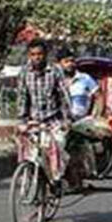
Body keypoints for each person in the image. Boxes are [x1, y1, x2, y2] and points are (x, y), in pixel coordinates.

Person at [18, 39, 72, 183]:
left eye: (40, 54)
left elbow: (64, 96)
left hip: (54, 120)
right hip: (34, 120)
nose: (37, 57)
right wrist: (22, 120)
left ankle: (56, 180)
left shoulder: (55, 71)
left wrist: (67, 119)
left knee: (58, 146)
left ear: (45, 55)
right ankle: (31, 177)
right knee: (28, 150)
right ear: (29, 56)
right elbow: (23, 97)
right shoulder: (24, 72)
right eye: (33, 54)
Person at [58, 49, 100, 121]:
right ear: (59, 64)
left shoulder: (85, 78)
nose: (70, 64)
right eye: (66, 62)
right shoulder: (57, 80)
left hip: (82, 122)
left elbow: (99, 96)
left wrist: (96, 116)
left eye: (72, 61)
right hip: (62, 122)